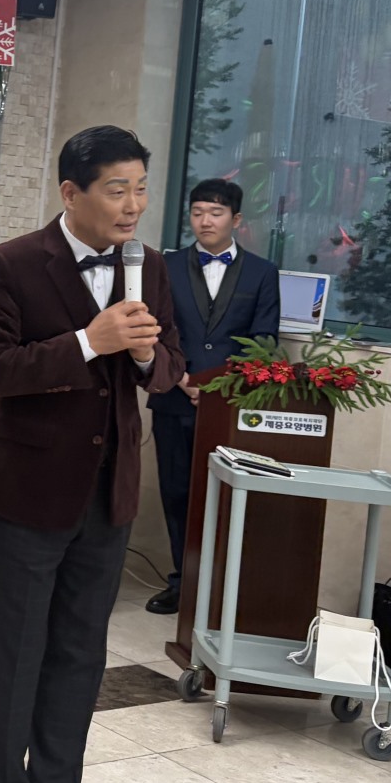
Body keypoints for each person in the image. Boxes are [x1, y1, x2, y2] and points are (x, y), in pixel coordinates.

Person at [0, 125, 184, 783]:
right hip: (29, 490)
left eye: (141, 189)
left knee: (81, 651)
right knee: (17, 649)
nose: (133, 206)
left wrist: (148, 356)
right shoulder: (11, 264)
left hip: (109, 490)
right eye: (117, 190)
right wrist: (90, 341)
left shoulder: (149, 266)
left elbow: (169, 366)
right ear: (71, 192)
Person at [145, 177, 280, 614]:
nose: (205, 220)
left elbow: (264, 341)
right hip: (173, 396)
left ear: (236, 220)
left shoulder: (262, 273)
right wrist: (181, 377)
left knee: (225, 495)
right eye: (198, 212)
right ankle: (183, 582)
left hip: (230, 404)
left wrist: (219, 386)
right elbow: (153, 328)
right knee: (176, 492)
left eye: (216, 213)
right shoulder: (164, 266)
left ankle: (223, 589)